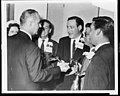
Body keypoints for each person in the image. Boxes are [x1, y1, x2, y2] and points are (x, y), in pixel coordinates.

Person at [7, 9, 69, 91]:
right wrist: (59, 69)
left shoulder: (7, 41)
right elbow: (37, 76)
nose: (40, 27)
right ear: (31, 23)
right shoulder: (31, 46)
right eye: (38, 23)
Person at [55, 16, 90, 90]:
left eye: (71, 27)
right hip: (62, 83)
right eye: (67, 27)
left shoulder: (88, 42)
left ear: (80, 27)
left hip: (78, 83)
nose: (68, 30)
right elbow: (58, 58)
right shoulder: (62, 41)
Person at [82, 16, 114, 90]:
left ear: (98, 31)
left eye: (91, 30)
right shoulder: (111, 51)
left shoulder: (98, 58)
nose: (89, 34)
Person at [34, 19, 59, 90]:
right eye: (41, 28)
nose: (43, 30)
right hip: (34, 78)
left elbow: (57, 61)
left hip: (49, 79)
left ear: (50, 30)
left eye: (46, 28)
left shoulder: (55, 45)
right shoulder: (31, 43)